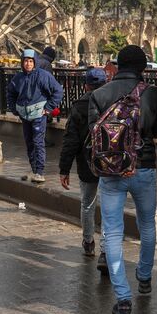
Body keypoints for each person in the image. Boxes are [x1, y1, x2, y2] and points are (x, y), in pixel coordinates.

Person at [88, 45, 157, 314]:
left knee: (113, 232)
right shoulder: (152, 93)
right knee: (146, 226)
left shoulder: (98, 94)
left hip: (111, 173)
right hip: (144, 168)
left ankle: (122, 300)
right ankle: (144, 277)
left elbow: (92, 135)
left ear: (118, 65)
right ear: (143, 67)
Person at [59, 68, 108, 273]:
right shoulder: (112, 102)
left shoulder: (79, 106)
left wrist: (64, 168)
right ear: (106, 83)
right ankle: (106, 249)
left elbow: (71, 140)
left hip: (86, 163)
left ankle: (88, 242)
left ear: (86, 85)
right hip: (109, 163)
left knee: (87, 203)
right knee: (108, 206)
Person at [7, 49, 63, 183]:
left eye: (31, 61)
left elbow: (58, 91)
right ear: (22, 62)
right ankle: (34, 169)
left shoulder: (43, 76)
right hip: (25, 115)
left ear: (35, 62)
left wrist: (48, 108)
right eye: (25, 61)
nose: (28, 64)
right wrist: (14, 109)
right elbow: (11, 94)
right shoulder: (18, 78)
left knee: (38, 142)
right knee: (29, 142)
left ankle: (39, 171)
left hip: (39, 114)